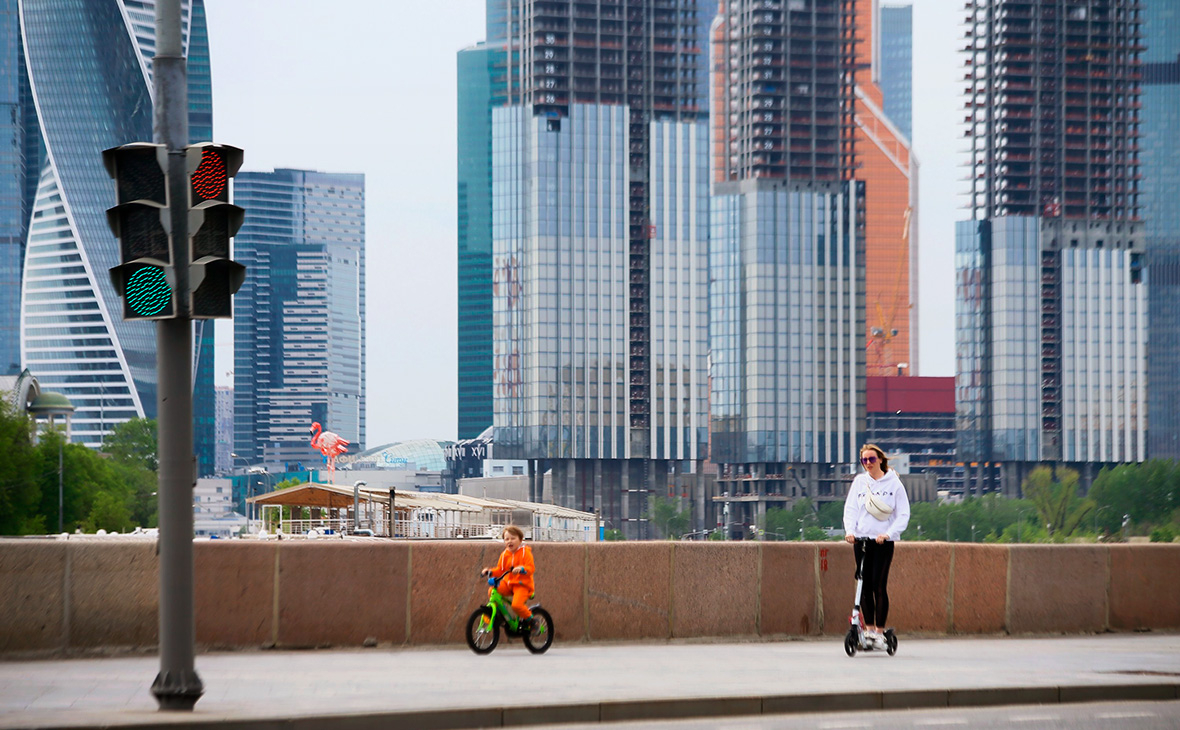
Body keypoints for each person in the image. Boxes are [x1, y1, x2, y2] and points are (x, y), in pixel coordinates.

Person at [843, 443, 910, 649]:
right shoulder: (859, 482)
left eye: (871, 459)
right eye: (864, 460)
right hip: (861, 541)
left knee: (879, 586)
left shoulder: (894, 484)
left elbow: (903, 514)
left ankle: (879, 632)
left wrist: (888, 534)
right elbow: (851, 509)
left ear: (880, 459)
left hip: (882, 542)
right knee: (864, 586)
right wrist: (850, 531)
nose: (868, 464)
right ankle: (869, 629)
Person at [481, 525, 535, 629]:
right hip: (508, 584)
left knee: (516, 605)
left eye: (513, 538)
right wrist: (490, 572)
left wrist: (522, 569)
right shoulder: (504, 554)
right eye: (506, 539)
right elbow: (500, 570)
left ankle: (532, 621)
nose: (509, 541)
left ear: (520, 539)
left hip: (522, 585)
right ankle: (498, 615)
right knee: (492, 591)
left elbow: (531, 568)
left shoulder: (525, 552)